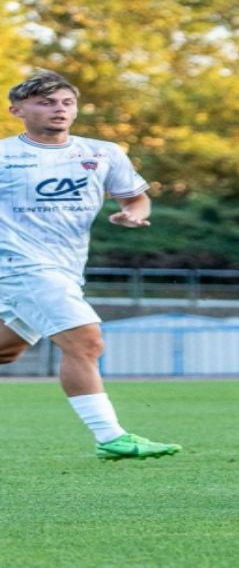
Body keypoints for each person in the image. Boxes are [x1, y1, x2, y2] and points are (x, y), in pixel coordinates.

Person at [0, 71, 180, 460]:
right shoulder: (3, 155)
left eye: (66, 102)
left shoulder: (102, 152)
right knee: (87, 342)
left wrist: (132, 214)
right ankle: (110, 437)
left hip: (66, 268)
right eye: (46, 102)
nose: (59, 109)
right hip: (20, 264)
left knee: (7, 350)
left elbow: (136, 198)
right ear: (17, 110)